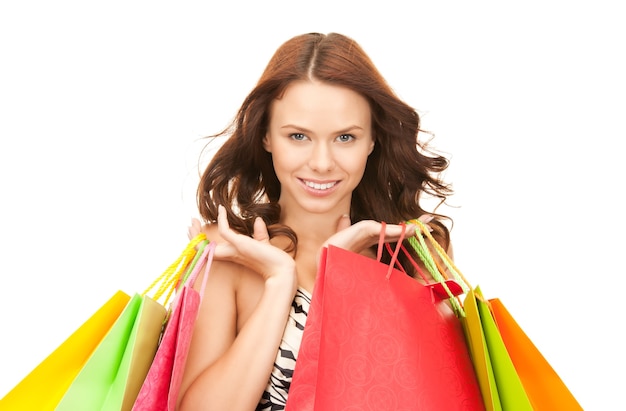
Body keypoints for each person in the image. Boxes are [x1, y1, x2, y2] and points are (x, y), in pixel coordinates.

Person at [177, 32, 454, 410]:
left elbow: (439, 397)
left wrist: (345, 288)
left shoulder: (412, 250)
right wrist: (279, 283)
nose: (322, 162)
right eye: (298, 136)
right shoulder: (226, 251)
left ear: (373, 140)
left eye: (344, 137)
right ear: (265, 136)